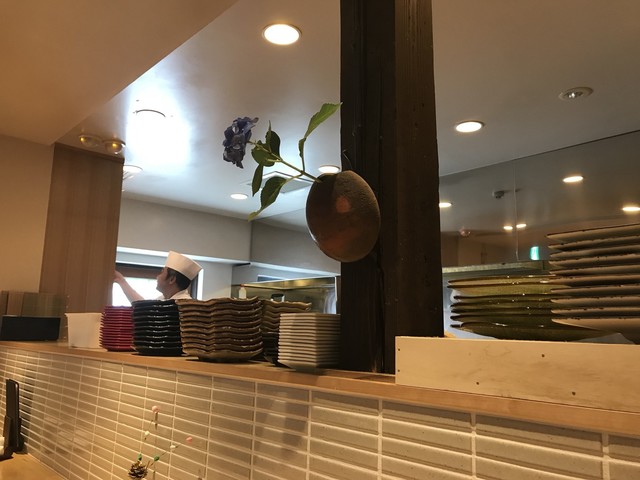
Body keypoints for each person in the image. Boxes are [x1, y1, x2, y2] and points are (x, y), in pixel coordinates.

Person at [114, 251, 203, 302]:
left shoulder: (184, 305)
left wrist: (121, 281)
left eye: (162, 272)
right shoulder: (164, 299)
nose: (157, 277)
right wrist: (121, 281)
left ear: (171, 279)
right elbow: (142, 306)